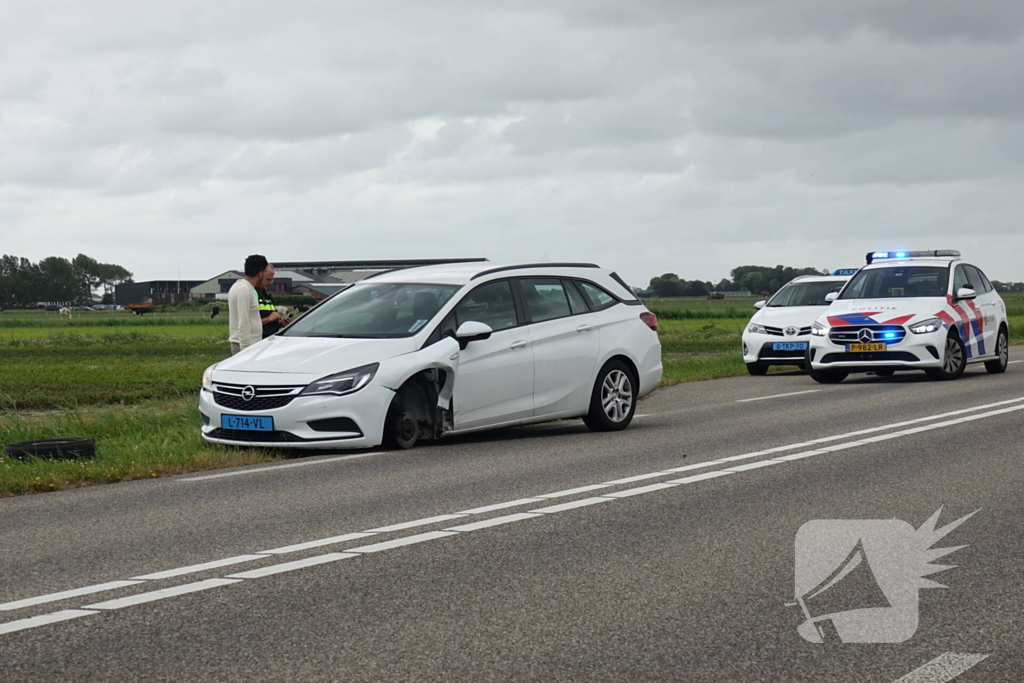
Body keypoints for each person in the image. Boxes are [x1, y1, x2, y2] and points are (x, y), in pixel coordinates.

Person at [228, 254, 267, 355]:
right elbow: (243, 321)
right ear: (260, 273)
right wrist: (246, 351)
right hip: (246, 345)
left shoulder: (241, 287)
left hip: (249, 343)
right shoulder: (244, 290)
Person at [258, 264, 290, 338]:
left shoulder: (268, 295)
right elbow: (249, 324)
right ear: (259, 276)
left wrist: (280, 323)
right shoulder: (252, 294)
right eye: (268, 279)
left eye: (272, 280)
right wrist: (269, 319)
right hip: (259, 341)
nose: (270, 283)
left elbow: (271, 320)